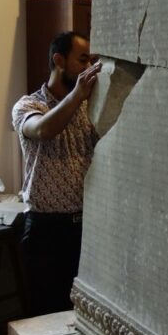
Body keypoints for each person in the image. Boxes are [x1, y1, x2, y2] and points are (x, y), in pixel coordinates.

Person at [12, 31, 101, 316]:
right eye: (82, 60)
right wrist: (77, 96)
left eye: (91, 60)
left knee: (85, 315)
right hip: (47, 231)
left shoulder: (88, 107)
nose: (88, 68)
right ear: (59, 61)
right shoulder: (28, 105)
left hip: (86, 227)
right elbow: (42, 130)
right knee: (48, 315)